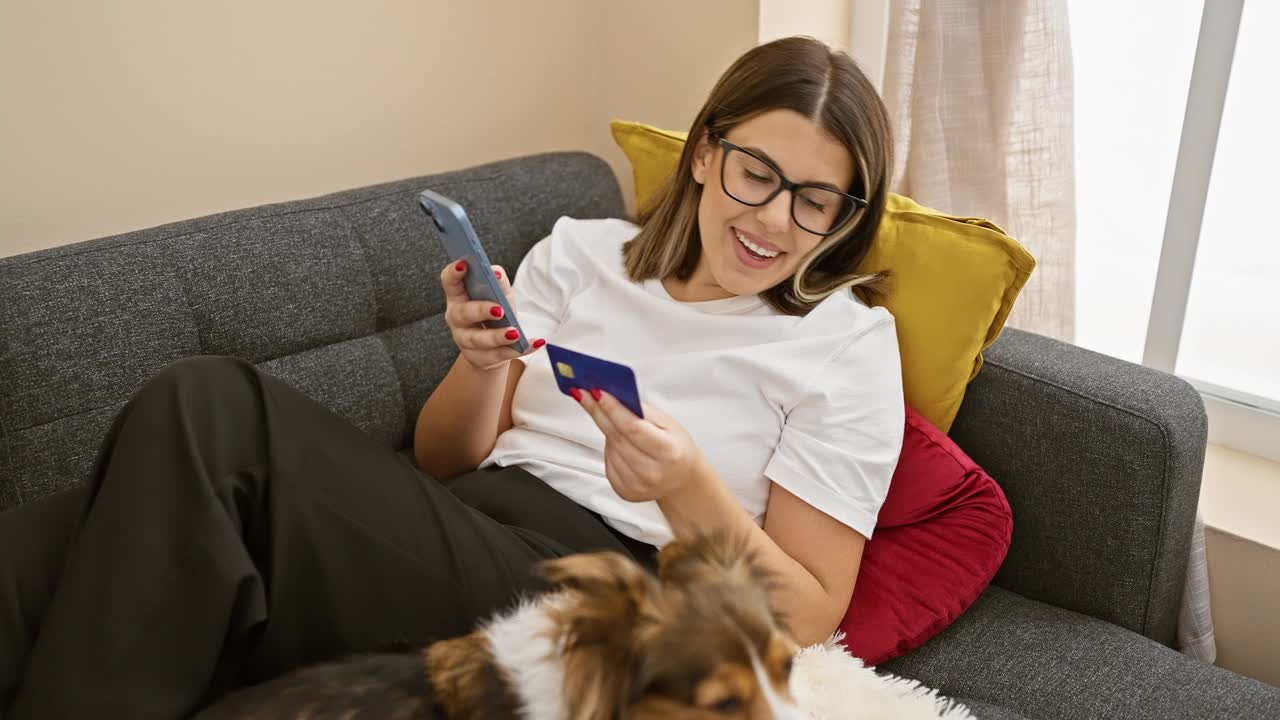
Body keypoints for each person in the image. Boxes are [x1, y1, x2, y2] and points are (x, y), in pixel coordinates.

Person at [0, 35, 903, 719]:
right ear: (707, 153)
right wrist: (481, 363)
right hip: (458, 524)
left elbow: (812, 611)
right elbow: (441, 462)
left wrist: (685, 489)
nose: (775, 220)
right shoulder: (583, 252)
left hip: (604, 591)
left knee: (207, 410)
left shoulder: (846, 345)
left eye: (816, 199)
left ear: (846, 215)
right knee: (50, 537)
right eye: (757, 173)